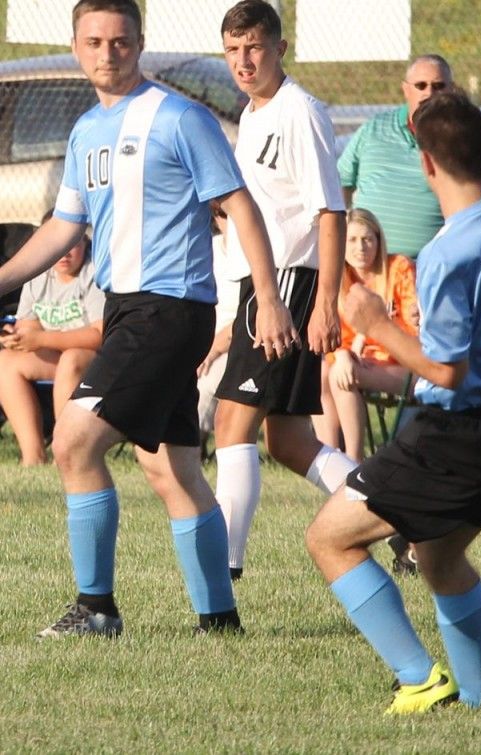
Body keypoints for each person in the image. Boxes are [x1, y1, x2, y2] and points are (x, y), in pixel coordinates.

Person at [0, 0, 295, 637]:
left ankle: (97, 609)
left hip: (167, 310)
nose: (109, 52)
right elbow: (63, 226)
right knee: (172, 470)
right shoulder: (85, 132)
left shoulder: (179, 116)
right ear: (76, 46)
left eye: (121, 41)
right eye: (95, 41)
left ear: (140, 44)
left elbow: (239, 205)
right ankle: (219, 621)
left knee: (74, 443)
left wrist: (266, 297)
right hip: (130, 309)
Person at [305, 91, 481, 713]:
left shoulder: (450, 252)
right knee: (441, 560)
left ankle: (420, 679)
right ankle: (479, 698)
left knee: (330, 540)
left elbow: (446, 372)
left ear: (427, 165)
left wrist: (376, 322)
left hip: (453, 434)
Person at [213, 0, 353, 582]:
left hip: (288, 284)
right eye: (233, 50)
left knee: (231, 422)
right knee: (290, 442)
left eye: (254, 47)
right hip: (261, 285)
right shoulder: (253, 114)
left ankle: (223, 568)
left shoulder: (300, 111)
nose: (244, 61)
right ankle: (398, 512)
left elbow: (330, 210)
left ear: (279, 49)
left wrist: (324, 303)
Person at [337, 54, 481, 259]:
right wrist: (347, 227)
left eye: (438, 86)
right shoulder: (373, 130)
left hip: (429, 267)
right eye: (421, 85)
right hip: (371, 267)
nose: (429, 93)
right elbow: (340, 182)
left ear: (450, 89)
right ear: (406, 89)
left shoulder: (462, 135)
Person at [314, 207, 417, 460]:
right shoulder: (338, 279)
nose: (360, 247)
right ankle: (330, 456)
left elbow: (412, 331)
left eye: (367, 239)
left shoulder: (398, 268)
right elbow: (334, 336)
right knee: (325, 371)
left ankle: (353, 459)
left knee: (344, 374)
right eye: (351, 239)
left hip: (405, 365)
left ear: (378, 241)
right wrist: (344, 355)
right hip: (361, 362)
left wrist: (363, 339)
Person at [0, 215, 103, 466]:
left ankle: (64, 453)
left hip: (95, 359)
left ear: (86, 243)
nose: (64, 254)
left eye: (74, 245)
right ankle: (33, 456)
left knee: (71, 359)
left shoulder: (95, 272)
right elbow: (29, 322)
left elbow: (100, 335)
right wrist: (19, 337)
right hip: (57, 353)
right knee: (5, 362)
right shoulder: (40, 273)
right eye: (58, 247)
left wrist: (42, 338)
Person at [196, 201, 239, 450]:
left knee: (206, 380)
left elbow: (250, 316)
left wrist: (211, 351)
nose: (229, 221)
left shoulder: (254, 256)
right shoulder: (206, 251)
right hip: (201, 339)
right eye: (222, 214)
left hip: (238, 343)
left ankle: (192, 448)